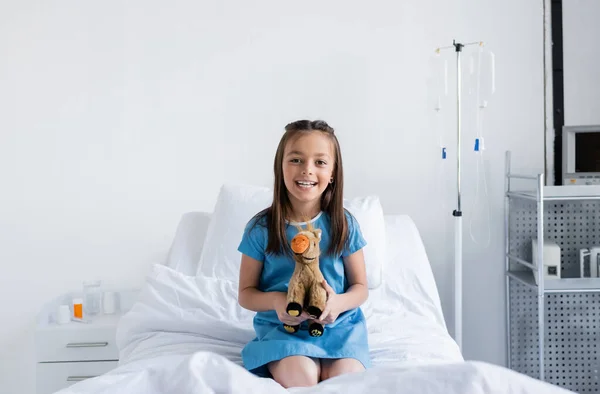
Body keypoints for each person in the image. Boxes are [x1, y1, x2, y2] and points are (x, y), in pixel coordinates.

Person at [237, 119, 371, 388]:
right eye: (296, 160)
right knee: (303, 378)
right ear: (281, 166)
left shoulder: (344, 225)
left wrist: (338, 304)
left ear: (333, 172)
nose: (307, 170)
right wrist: (277, 302)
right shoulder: (260, 229)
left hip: (340, 329)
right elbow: (245, 293)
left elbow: (361, 287)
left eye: (320, 162)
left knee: (345, 381)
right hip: (284, 331)